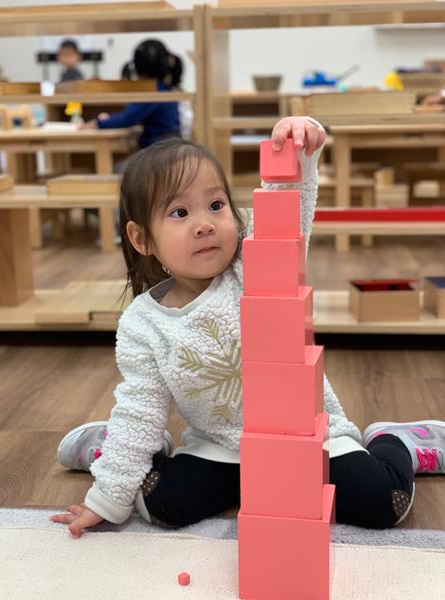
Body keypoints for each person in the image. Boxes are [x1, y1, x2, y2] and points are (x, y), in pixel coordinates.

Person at [51, 117, 444, 538]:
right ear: (141, 238)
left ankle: (396, 439)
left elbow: (288, 213)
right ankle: (112, 450)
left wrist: (300, 151)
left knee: (382, 501)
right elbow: (140, 407)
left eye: (216, 205)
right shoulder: (142, 324)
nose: (204, 223)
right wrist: (106, 497)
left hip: (308, 437)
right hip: (222, 446)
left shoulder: (252, 267)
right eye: (180, 212)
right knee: (159, 506)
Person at [80, 39, 182, 148]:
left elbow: (126, 119)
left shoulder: (152, 91)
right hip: (167, 148)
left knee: (118, 165)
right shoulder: (163, 87)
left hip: (159, 152)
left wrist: (98, 123)